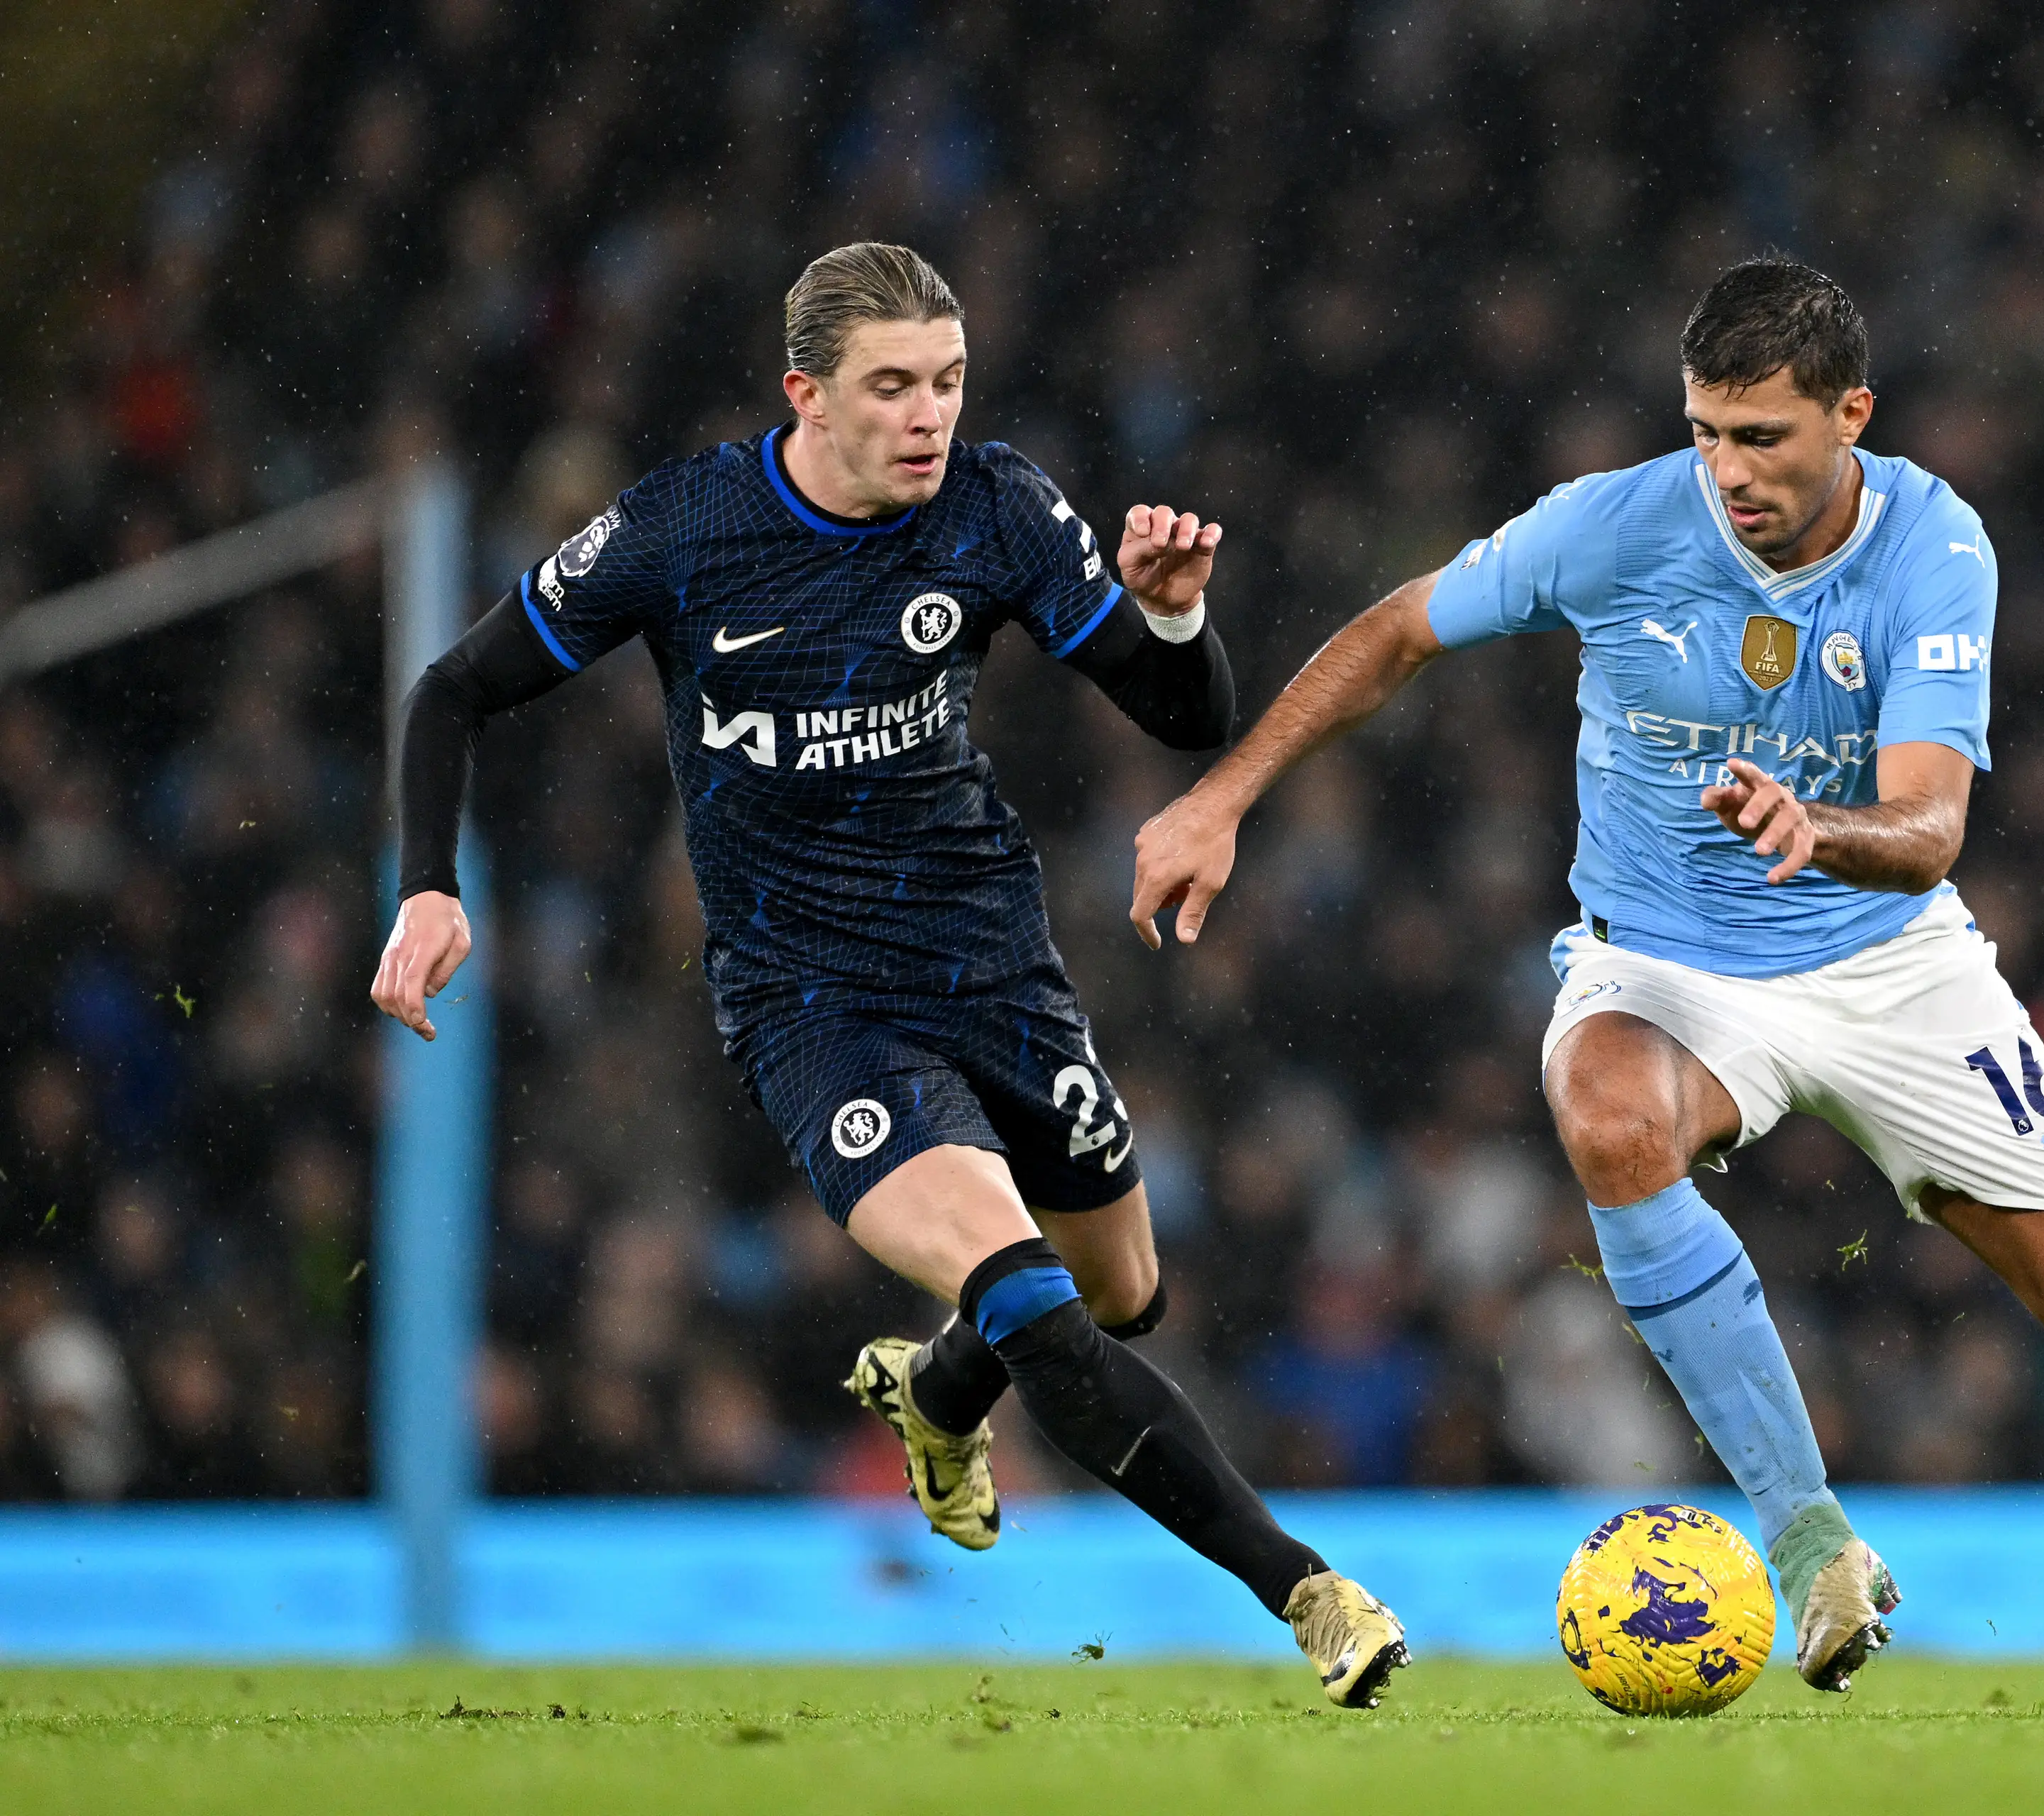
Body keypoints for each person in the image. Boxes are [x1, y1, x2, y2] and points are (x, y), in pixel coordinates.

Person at [1127, 256, 2044, 1718]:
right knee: (1604, 1108)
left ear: (1851, 416)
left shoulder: (1936, 547)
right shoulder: (1618, 524)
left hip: (1893, 962)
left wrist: (1823, 830)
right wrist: (1224, 798)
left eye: (1763, 438)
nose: (1728, 470)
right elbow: (1394, 635)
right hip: (1667, 959)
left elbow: (1935, 826)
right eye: (1706, 430)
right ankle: (1811, 1537)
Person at [369, 242, 1408, 1708]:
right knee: (1035, 1296)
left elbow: (1185, 715)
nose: (929, 416)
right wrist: (427, 883)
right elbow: (451, 688)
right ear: (808, 393)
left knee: (1122, 1296)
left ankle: (934, 1391)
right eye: (892, 387)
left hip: (994, 960)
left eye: (948, 381)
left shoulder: (996, 505)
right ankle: (1308, 1590)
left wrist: (1174, 613)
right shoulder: (684, 530)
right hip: (813, 1006)